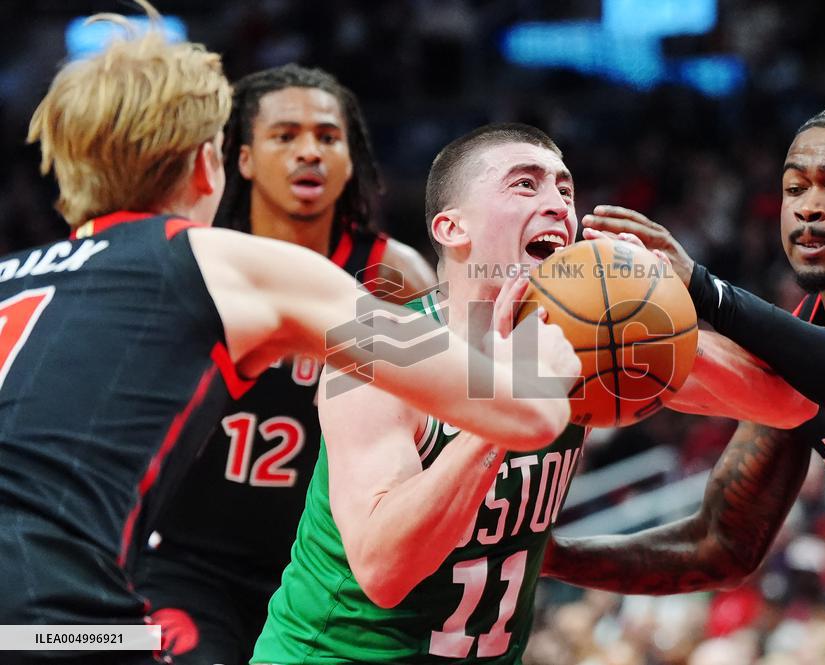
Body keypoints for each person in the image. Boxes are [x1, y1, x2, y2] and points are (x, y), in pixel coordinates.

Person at [0, 6, 579, 663]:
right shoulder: (235, 263)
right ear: (207, 166)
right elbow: (522, 411)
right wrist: (536, 363)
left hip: (40, 629)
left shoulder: (12, 277)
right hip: (59, 610)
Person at [250, 123, 814, 665]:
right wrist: (516, 400)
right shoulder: (383, 348)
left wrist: (670, 298)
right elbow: (384, 571)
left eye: (565, 189)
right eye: (525, 184)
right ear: (453, 229)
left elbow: (790, 404)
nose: (558, 205)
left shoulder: (587, 337)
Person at [543, 106, 825, 664]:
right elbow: (720, 543)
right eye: (793, 187)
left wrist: (707, 292)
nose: (808, 206)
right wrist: (546, 556)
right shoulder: (805, 340)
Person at [133, 64, 437, 665]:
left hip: (324, 570)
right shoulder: (201, 259)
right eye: (285, 136)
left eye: (328, 138)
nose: (309, 153)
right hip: (187, 562)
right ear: (242, 159)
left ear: (351, 160)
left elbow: (444, 420)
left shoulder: (394, 276)